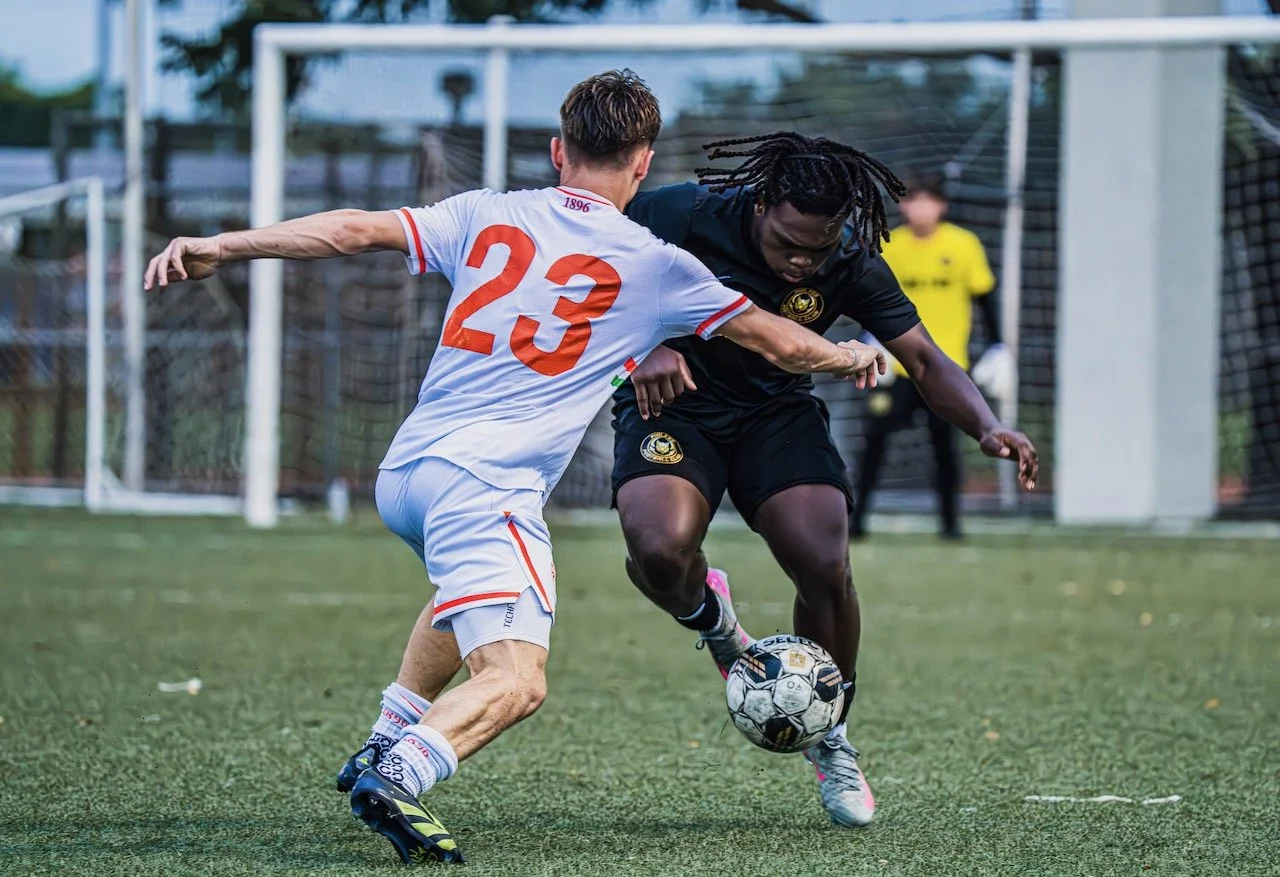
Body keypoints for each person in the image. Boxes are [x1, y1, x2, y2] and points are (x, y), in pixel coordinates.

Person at [144, 73, 886, 865]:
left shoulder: (483, 212)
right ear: (643, 165)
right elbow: (781, 341)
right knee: (516, 680)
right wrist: (848, 354)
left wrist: (224, 244)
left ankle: (384, 737)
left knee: (461, 596)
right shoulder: (656, 262)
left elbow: (353, 230)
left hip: (409, 475)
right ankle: (399, 774)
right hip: (484, 486)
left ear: (559, 149)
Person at [608, 132, 1039, 828]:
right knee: (660, 552)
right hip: (676, 406)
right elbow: (588, 265)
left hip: (777, 415)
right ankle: (718, 624)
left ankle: (830, 734)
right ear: (760, 202)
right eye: (788, 243)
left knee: (824, 561)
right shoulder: (683, 214)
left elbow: (925, 360)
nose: (803, 260)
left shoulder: (849, 258)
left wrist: (987, 426)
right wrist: (645, 344)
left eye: (819, 246)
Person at [851, 172, 1016, 540]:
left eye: (927, 201)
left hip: (944, 366)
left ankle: (951, 525)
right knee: (874, 441)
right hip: (895, 365)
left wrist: (998, 345)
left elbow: (985, 298)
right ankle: (855, 521)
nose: (919, 209)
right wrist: (869, 340)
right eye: (911, 200)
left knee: (946, 447)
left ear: (941, 205)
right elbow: (867, 299)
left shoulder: (963, 245)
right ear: (902, 206)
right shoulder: (890, 244)